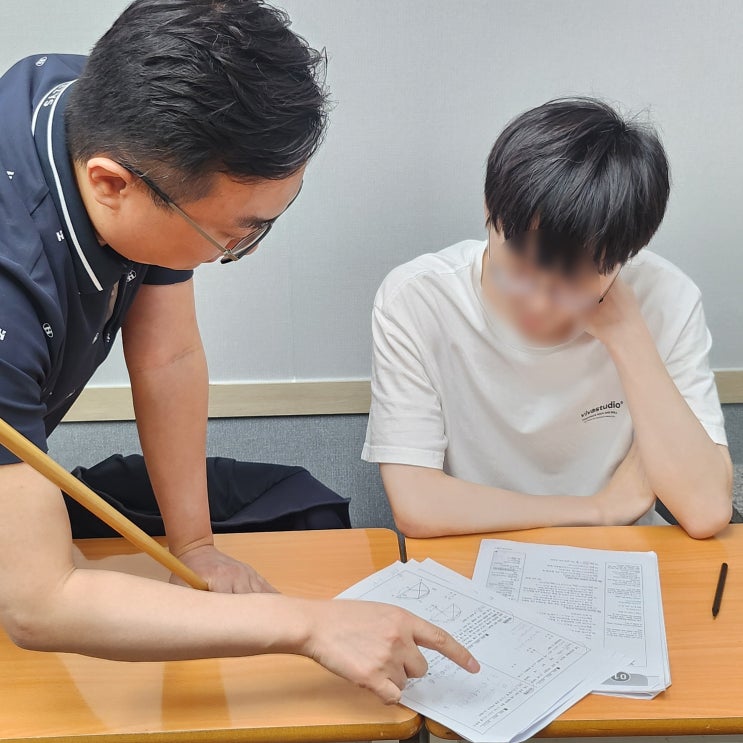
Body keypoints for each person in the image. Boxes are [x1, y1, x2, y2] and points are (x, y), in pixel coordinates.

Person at [0, 0, 478, 703]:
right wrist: (308, 626)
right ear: (109, 183)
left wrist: (196, 546)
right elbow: (39, 606)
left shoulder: (104, 110)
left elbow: (166, 357)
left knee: (294, 504)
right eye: (233, 234)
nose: (240, 250)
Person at [363, 98, 733, 540]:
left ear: (625, 256)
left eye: (571, 280)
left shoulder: (667, 298)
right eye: (520, 266)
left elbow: (706, 511)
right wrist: (599, 509)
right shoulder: (419, 299)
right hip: (477, 552)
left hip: (623, 557)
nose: (539, 303)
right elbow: (417, 505)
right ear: (489, 210)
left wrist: (628, 336)